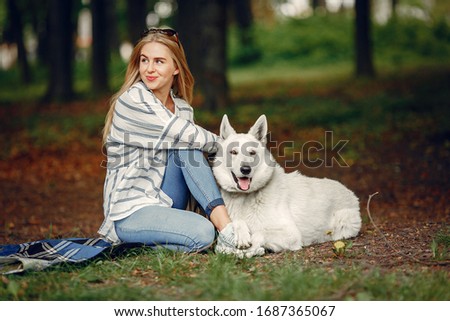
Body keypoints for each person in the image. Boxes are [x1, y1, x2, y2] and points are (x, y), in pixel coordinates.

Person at [98, 27, 238, 254]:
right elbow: (187, 134)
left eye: (159, 62)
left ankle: (228, 229)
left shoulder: (182, 108)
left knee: (189, 148)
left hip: (164, 196)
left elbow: (192, 144)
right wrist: (232, 146)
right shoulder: (133, 100)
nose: (149, 69)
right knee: (203, 233)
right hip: (130, 211)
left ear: (176, 68)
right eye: (144, 60)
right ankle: (227, 231)